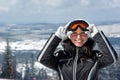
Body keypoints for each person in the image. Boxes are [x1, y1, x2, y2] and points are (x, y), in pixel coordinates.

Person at [37, 19, 118, 80]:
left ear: (88, 36)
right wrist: (57, 37)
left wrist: (97, 35)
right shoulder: (61, 57)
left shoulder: (94, 56)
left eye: (83, 34)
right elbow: (42, 59)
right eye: (74, 34)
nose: (79, 37)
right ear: (69, 36)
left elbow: (111, 58)